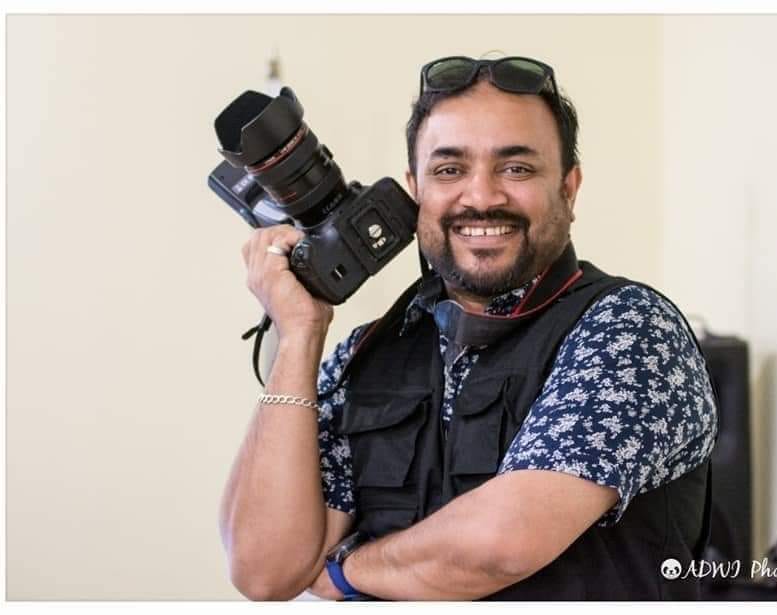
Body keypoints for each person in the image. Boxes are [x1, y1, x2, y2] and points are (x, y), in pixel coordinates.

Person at [219, 55, 718, 601]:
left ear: (569, 189)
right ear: (413, 192)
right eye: (449, 170)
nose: (481, 197)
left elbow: (503, 543)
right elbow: (264, 570)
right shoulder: (367, 353)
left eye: (517, 168)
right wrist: (300, 335)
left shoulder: (629, 331)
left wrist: (344, 571)